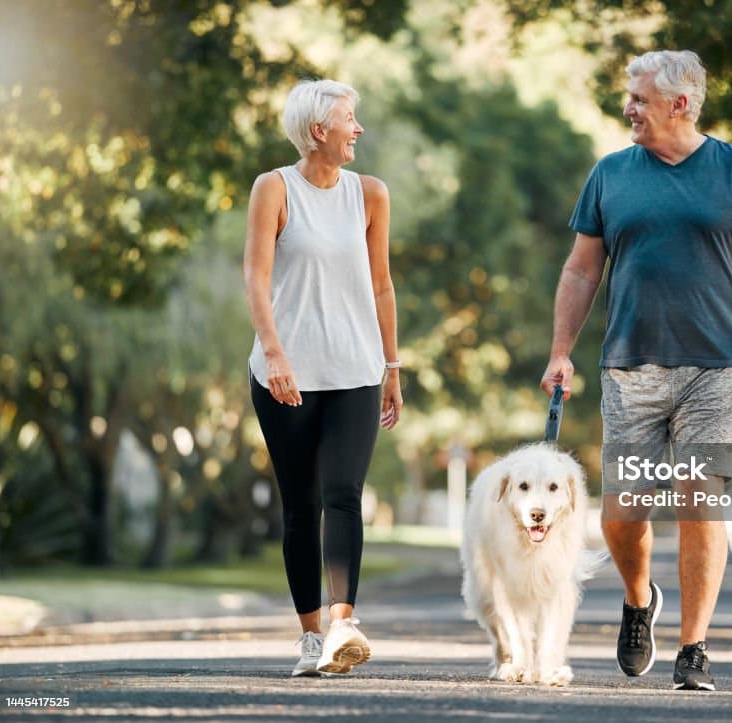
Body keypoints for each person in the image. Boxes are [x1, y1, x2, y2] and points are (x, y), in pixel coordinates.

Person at [540, 50, 732, 691]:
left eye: (639, 98)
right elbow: (582, 270)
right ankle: (641, 601)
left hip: (716, 366)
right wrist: (561, 350)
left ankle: (694, 649)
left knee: (699, 504)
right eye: (629, 97)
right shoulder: (610, 174)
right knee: (623, 516)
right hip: (629, 366)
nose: (628, 107)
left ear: (679, 104)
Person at [243, 78, 402, 678]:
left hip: (356, 369)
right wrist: (275, 354)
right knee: (300, 506)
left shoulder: (371, 195)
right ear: (319, 130)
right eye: (349, 119)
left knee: (344, 495)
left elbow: (382, 283)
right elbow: (257, 278)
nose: (357, 129)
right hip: (286, 373)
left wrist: (391, 365)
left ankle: (342, 626)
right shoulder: (273, 189)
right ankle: (311, 637)